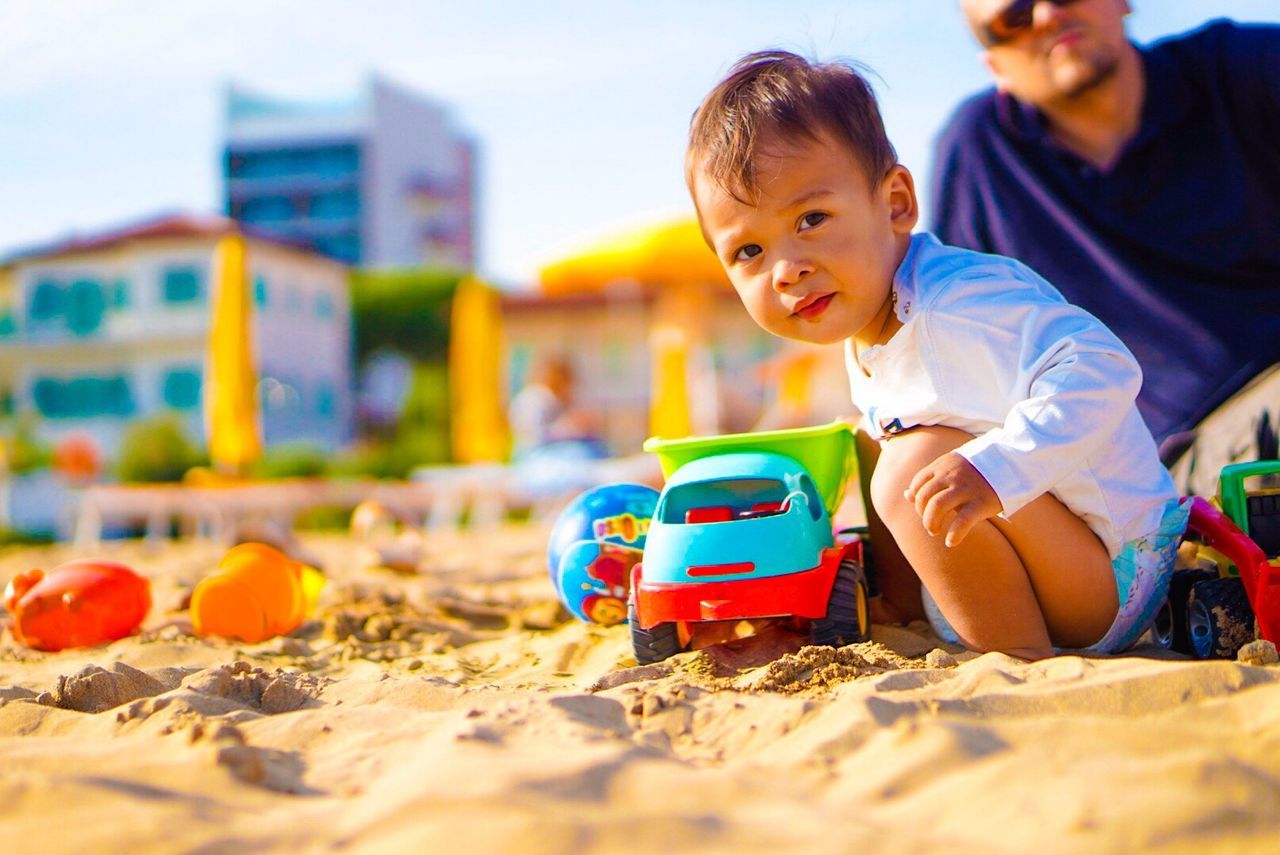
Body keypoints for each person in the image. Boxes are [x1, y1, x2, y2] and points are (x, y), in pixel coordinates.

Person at [685, 50, 1186, 660]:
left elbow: (1105, 367)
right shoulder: (870, 321)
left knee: (907, 465)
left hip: (1115, 569)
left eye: (812, 218)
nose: (787, 269)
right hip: (1058, 553)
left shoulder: (959, 306)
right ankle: (900, 603)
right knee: (875, 445)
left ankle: (1016, 661)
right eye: (749, 252)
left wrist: (996, 470)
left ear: (895, 203)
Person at [932, 1, 1280, 496]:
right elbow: (951, 357)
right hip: (1165, 468)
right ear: (996, 67)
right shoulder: (980, 155)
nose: (1048, 16)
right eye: (1015, 17)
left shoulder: (1239, 69)